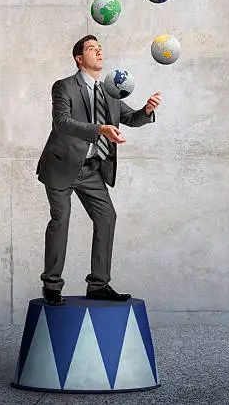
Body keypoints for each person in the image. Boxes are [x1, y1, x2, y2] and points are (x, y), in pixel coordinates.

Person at [36, 35, 161, 305]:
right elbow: (62, 122)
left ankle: (99, 284)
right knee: (61, 221)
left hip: (92, 170)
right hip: (61, 167)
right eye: (92, 49)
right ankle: (52, 286)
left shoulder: (110, 89)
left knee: (106, 218)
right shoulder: (64, 87)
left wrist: (147, 110)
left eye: (100, 48)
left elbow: (129, 118)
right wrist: (99, 130)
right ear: (79, 59)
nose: (99, 51)